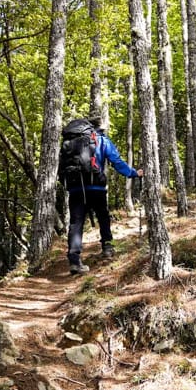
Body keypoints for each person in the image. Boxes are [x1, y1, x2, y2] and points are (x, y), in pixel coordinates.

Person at [62, 116, 143, 275]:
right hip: (96, 187)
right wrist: (133, 173)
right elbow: (116, 161)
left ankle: (74, 261)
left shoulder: (70, 142)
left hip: (76, 188)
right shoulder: (101, 140)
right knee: (103, 216)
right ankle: (107, 247)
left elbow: (62, 167)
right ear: (99, 126)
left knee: (76, 223)